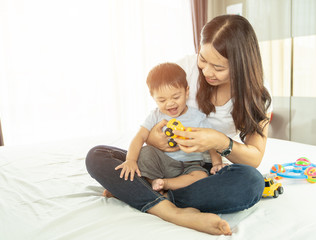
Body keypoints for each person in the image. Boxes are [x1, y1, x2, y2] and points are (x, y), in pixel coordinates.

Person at [86, 14, 272, 236]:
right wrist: (153, 139)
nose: (207, 71)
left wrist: (220, 141)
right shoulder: (185, 68)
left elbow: (255, 157)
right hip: (161, 160)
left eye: (218, 67)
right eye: (203, 59)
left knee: (251, 182)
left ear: (241, 65)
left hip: (199, 168)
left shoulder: (257, 94)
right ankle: (171, 211)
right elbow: (159, 106)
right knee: (97, 155)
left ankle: (152, 193)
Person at [114, 62, 224, 193]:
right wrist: (130, 160)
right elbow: (139, 136)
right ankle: (148, 183)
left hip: (191, 165)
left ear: (187, 91)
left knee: (201, 176)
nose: (170, 103)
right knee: (145, 152)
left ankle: (164, 185)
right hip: (163, 162)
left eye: (176, 97)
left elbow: (212, 143)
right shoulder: (155, 115)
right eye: (162, 100)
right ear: (153, 98)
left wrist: (217, 163)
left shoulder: (197, 117)